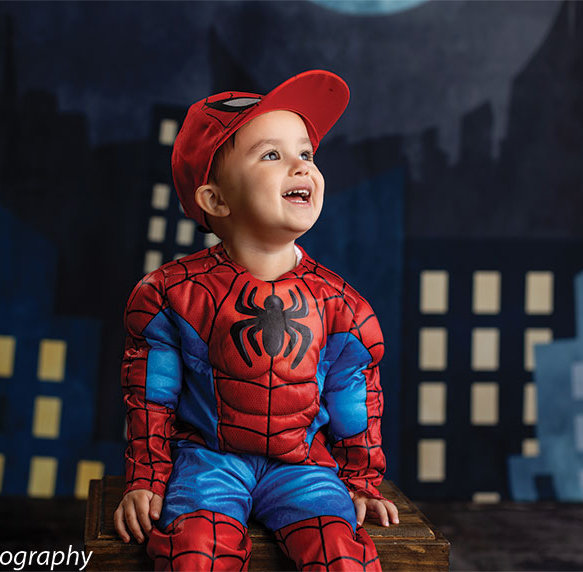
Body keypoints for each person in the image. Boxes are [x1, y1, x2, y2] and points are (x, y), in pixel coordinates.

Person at [113, 70, 398, 571]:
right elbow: (152, 397)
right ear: (216, 200)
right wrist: (146, 479)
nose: (300, 167)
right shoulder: (170, 296)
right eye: (272, 155)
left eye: (306, 154)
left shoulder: (342, 306)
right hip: (209, 463)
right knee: (193, 552)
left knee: (341, 554)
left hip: (306, 467)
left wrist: (361, 482)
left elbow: (354, 398)